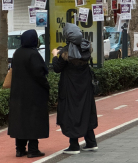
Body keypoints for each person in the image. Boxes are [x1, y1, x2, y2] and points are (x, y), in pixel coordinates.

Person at [52, 23, 98, 154]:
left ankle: (74, 145)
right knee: (86, 111)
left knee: (71, 113)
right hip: (85, 87)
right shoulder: (86, 47)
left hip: (70, 88)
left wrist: (55, 55)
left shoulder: (65, 52)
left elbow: (57, 68)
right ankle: (91, 142)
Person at [8, 30, 49, 158]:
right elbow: (39, 74)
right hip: (33, 94)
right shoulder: (33, 54)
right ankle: (33, 149)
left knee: (20, 120)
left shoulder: (17, 53)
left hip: (17, 94)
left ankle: (19, 149)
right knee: (33, 120)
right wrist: (46, 86)